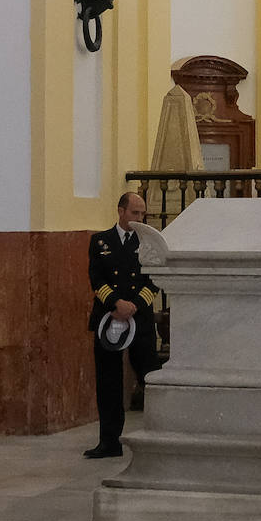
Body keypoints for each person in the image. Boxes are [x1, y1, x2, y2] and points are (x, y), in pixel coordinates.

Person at [85, 192, 162, 459]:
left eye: (143, 214)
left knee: (150, 377)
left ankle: (159, 436)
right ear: (121, 211)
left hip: (138, 319)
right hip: (110, 318)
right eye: (135, 213)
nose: (140, 218)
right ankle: (109, 441)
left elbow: (154, 280)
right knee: (108, 382)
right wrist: (116, 303)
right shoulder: (101, 241)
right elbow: (96, 279)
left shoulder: (149, 242)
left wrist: (135, 305)